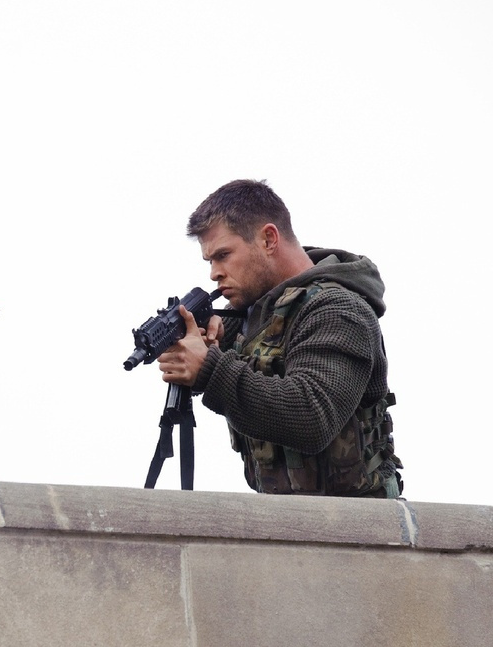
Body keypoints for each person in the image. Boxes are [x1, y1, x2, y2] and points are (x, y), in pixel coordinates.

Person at [156, 179, 402, 497]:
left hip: (360, 522)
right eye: (210, 261)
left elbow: (313, 417)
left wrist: (210, 369)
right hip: (283, 519)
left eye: (223, 255)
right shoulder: (247, 318)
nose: (214, 273)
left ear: (269, 239)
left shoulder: (338, 308)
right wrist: (206, 347)